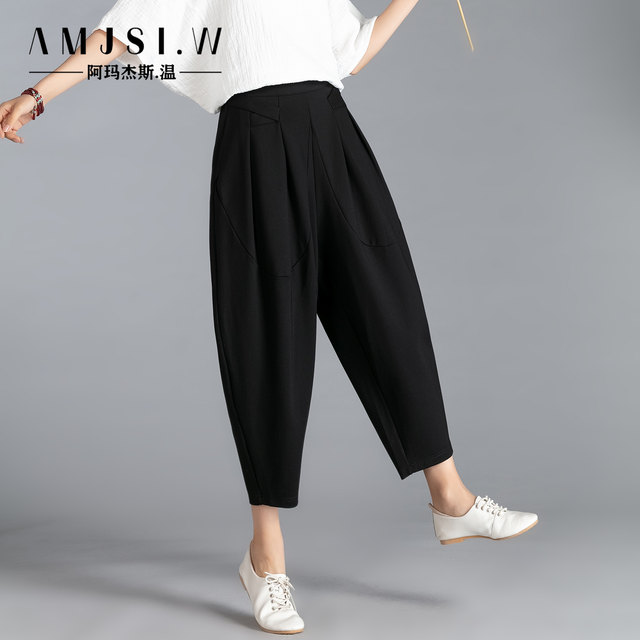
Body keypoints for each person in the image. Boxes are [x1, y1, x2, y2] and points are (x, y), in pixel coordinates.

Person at [0, 0, 539, 634]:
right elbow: (118, 36)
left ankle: (449, 495)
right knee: (267, 340)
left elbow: (351, 53)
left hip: (332, 131)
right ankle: (266, 558)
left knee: (387, 303)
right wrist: (36, 96)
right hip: (254, 141)